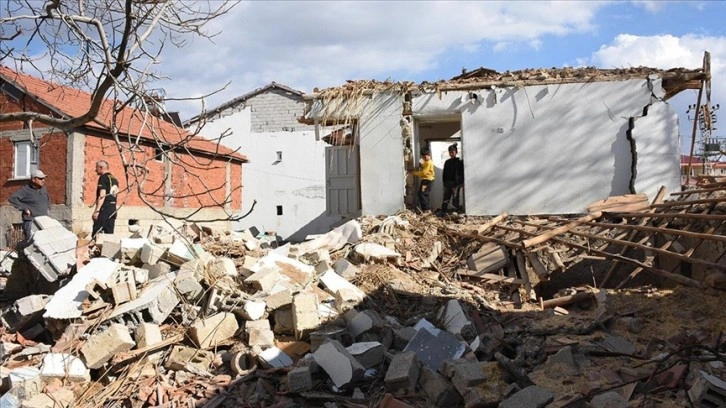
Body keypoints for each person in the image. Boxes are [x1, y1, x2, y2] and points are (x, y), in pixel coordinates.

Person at [8, 169, 50, 242]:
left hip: (43, 221)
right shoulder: (25, 189)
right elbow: (12, 199)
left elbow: (48, 199)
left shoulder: (43, 188)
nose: (43, 180)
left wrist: (48, 208)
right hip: (31, 222)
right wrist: (24, 208)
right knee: (31, 244)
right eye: (40, 178)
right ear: (33, 179)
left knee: (44, 242)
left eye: (44, 178)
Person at [92, 160, 119, 237]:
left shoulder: (103, 178)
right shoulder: (114, 179)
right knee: (109, 235)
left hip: (104, 209)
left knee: (96, 234)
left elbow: (102, 195)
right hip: (113, 209)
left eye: (96, 168)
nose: (95, 170)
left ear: (101, 168)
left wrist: (97, 211)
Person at [440, 143, 464, 213]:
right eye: (450, 152)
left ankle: (455, 211)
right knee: (446, 197)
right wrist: (444, 182)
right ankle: (443, 211)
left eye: (453, 152)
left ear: (456, 152)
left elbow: (461, 173)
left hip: (456, 183)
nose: (451, 154)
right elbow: (444, 173)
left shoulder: (459, 162)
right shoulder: (447, 162)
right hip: (448, 183)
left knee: (455, 197)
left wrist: (460, 183)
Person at [409, 148, 435, 212]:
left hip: (427, 181)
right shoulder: (424, 160)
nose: (425, 158)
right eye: (423, 157)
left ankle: (426, 209)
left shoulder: (429, 162)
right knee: (424, 194)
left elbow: (423, 172)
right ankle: (426, 209)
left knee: (422, 194)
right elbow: (420, 164)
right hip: (425, 180)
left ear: (429, 155)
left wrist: (413, 172)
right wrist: (419, 164)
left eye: (426, 156)